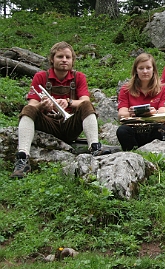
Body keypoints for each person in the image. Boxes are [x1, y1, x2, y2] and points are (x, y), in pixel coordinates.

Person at [11, 42, 110, 179]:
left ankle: (94, 148)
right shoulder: (40, 77)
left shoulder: (79, 77)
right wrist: (43, 106)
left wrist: (69, 102)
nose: (64, 60)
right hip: (49, 125)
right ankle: (22, 159)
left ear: (72, 61)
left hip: (69, 126)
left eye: (67, 57)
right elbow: (32, 104)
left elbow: (85, 100)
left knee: (87, 105)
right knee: (28, 110)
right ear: (52, 59)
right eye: (60, 56)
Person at [117, 53, 165, 151]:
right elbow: (121, 114)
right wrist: (134, 113)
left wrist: (154, 112)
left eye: (148, 68)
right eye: (141, 68)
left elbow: (163, 113)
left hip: (154, 128)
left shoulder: (163, 89)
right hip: (133, 129)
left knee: (161, 130)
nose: (145, 71)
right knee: (122, 131)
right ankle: (133, 154)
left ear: (153, 70)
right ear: (136, 71)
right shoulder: (125, 89)